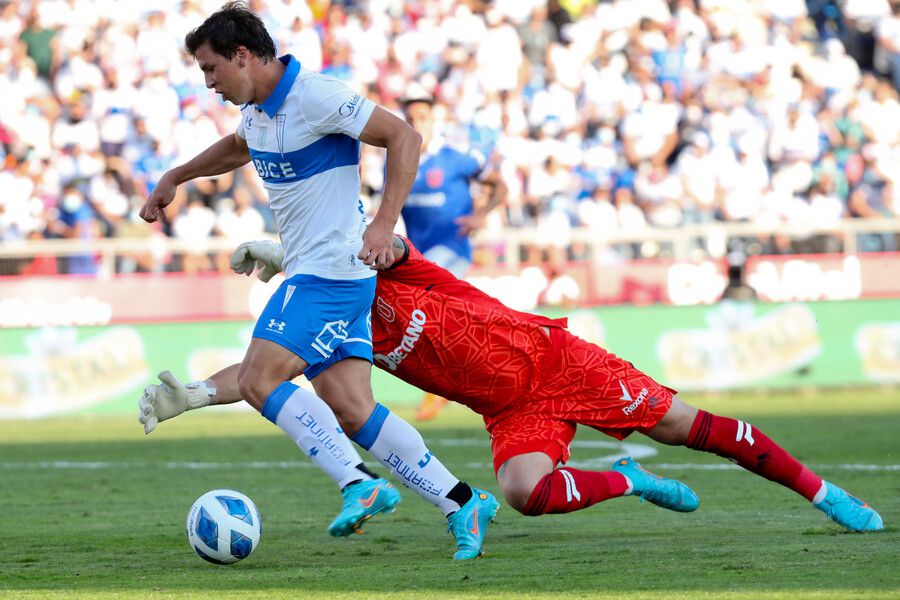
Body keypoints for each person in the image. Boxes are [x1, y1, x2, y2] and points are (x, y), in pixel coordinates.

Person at [141, 236, 883, 533]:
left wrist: (292, 248)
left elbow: (384, 241)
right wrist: (199, 395)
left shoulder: (396, 270)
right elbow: (263, 373)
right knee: (527, 494)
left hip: (564, 364)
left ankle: (825, 494)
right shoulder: (338, 332)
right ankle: (626, 481)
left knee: (693, 428)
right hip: (509, 408)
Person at [137, 2, 497, 561]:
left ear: (243, 55)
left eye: (211, 70)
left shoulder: (316, 95)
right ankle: (461, 501)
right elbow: (239, 147)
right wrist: (176, 175)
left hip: (332, 272)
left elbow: (404, 137)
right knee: (351, 408)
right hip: (324, 271)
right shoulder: (257, 110)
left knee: (262, 379)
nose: (208, 83)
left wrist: (383, 224)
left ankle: (360, 484)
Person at [399, 84, 508, 421]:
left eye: (422, 117)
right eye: (410, 117)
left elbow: (500, 185)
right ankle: (469, 375)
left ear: (434, 120)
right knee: (432, 318)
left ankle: (439, 388)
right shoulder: (398, 157)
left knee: (426, 307)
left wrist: (480, 215)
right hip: (419, 254)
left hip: (452, 249)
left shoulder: (458, 158)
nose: (416, 123)